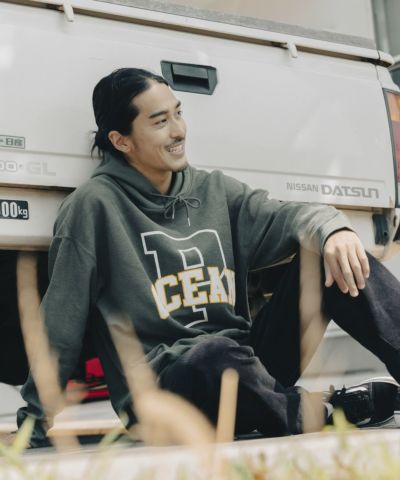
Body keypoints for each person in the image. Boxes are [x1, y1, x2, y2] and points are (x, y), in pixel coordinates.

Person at [17, 68, 400, 447]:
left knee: (341, 259)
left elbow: (285, 216)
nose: (178, 131)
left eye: (178, 114)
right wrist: (35, 420)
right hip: (164, 392)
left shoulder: (214, 190)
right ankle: (319, 411)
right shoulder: (92, 208)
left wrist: (333, 230)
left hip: (247, 367)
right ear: (121, 141)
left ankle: (292, 406)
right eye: (160, 121)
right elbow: (61, 321)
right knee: (213, 354)